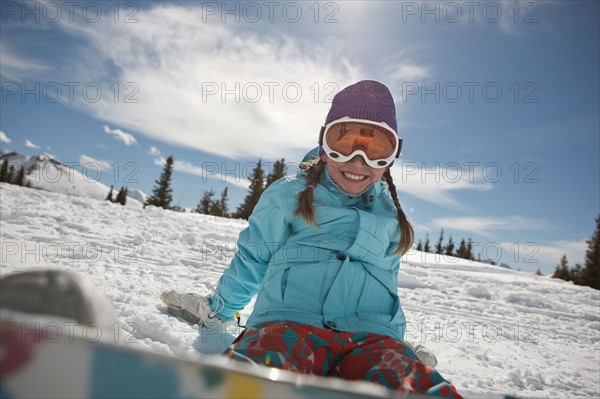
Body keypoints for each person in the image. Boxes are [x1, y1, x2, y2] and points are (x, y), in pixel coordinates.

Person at [162, 80, 463, 398]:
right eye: (344, 143)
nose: (358, 161)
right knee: (254, 377)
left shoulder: (390, 215)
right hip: (287, 327)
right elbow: (252, 260)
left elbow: (384, 287)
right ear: (324, 144)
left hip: (370, 339)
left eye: (376, 150)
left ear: (391, 156)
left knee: (415, 386)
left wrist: (395, 346)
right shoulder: (289, 194)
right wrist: (219, 311)